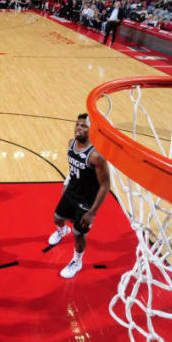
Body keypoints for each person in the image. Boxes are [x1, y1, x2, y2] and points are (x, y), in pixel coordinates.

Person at [47, 113, 110, 278]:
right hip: (72, 192)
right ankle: (62, 231)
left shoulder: (97, 156)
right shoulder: (71, 144)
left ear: (92, 130)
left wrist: (92, 212)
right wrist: (66, 183)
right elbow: (72, 168)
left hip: (87, 201)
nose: (79, 129)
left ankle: (77, 261)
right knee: (57, 218)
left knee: (78, 234)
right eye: (78, 125)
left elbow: (105, 185)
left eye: (84, 126)